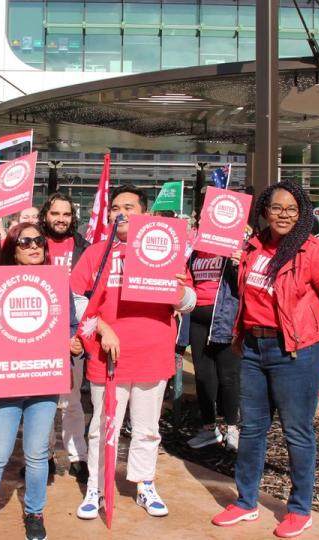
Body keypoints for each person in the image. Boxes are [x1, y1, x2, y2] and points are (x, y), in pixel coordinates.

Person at [210, 179, 319, 538]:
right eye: (276, 208)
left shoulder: (314, 253)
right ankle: (246, 502)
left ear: (302, 213)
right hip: (256, 350)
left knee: (297, 431)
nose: (284, 215)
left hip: (298, 351)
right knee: (253, 428)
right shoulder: (253, 249)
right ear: (264, 211)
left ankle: (300, 509)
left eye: (292, 209)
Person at [72, 185, 196, 520]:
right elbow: (76, 298)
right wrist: (101, 327)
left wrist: (178, 288)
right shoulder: (96, 253)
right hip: (106, 357)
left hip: (152, 354)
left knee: (146, 428)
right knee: (101, 427)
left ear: (145, 214)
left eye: (129, 206)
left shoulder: (166, 251)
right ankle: (97, 488)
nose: (121, 212)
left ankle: (144, 484)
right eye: (115, 207)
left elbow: (189, 303)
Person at [0, 222, 82, 540]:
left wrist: (73, 340)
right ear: (12, 250)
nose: (34, 246)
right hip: (5, 382)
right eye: (25, 241)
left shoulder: (60, 284)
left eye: (39, 241)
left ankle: (34, 512)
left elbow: (71, 325)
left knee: (36, 453)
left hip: (43, 381)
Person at [38, 192, 90, 482]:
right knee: (43, 400)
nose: (60, 219)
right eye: (55, 213)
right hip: (40, 331)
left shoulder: (85, 248)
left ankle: (77, 456)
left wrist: (83, 334)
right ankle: (44, 457)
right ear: (46, 214)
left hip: (74, 334)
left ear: (73, 217)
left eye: (66, 214)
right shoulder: (34, 243)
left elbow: (94, 295)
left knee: (72, 400)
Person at [185, 246, 241, 450]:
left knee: (228, 376)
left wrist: (239, 264)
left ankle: (232, 429)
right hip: (197, 319)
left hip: (224, 318)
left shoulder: (232, 250)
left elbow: (243, 284)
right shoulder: (195, 252)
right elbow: (188, 279)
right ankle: (209, 429)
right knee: (203, 375)